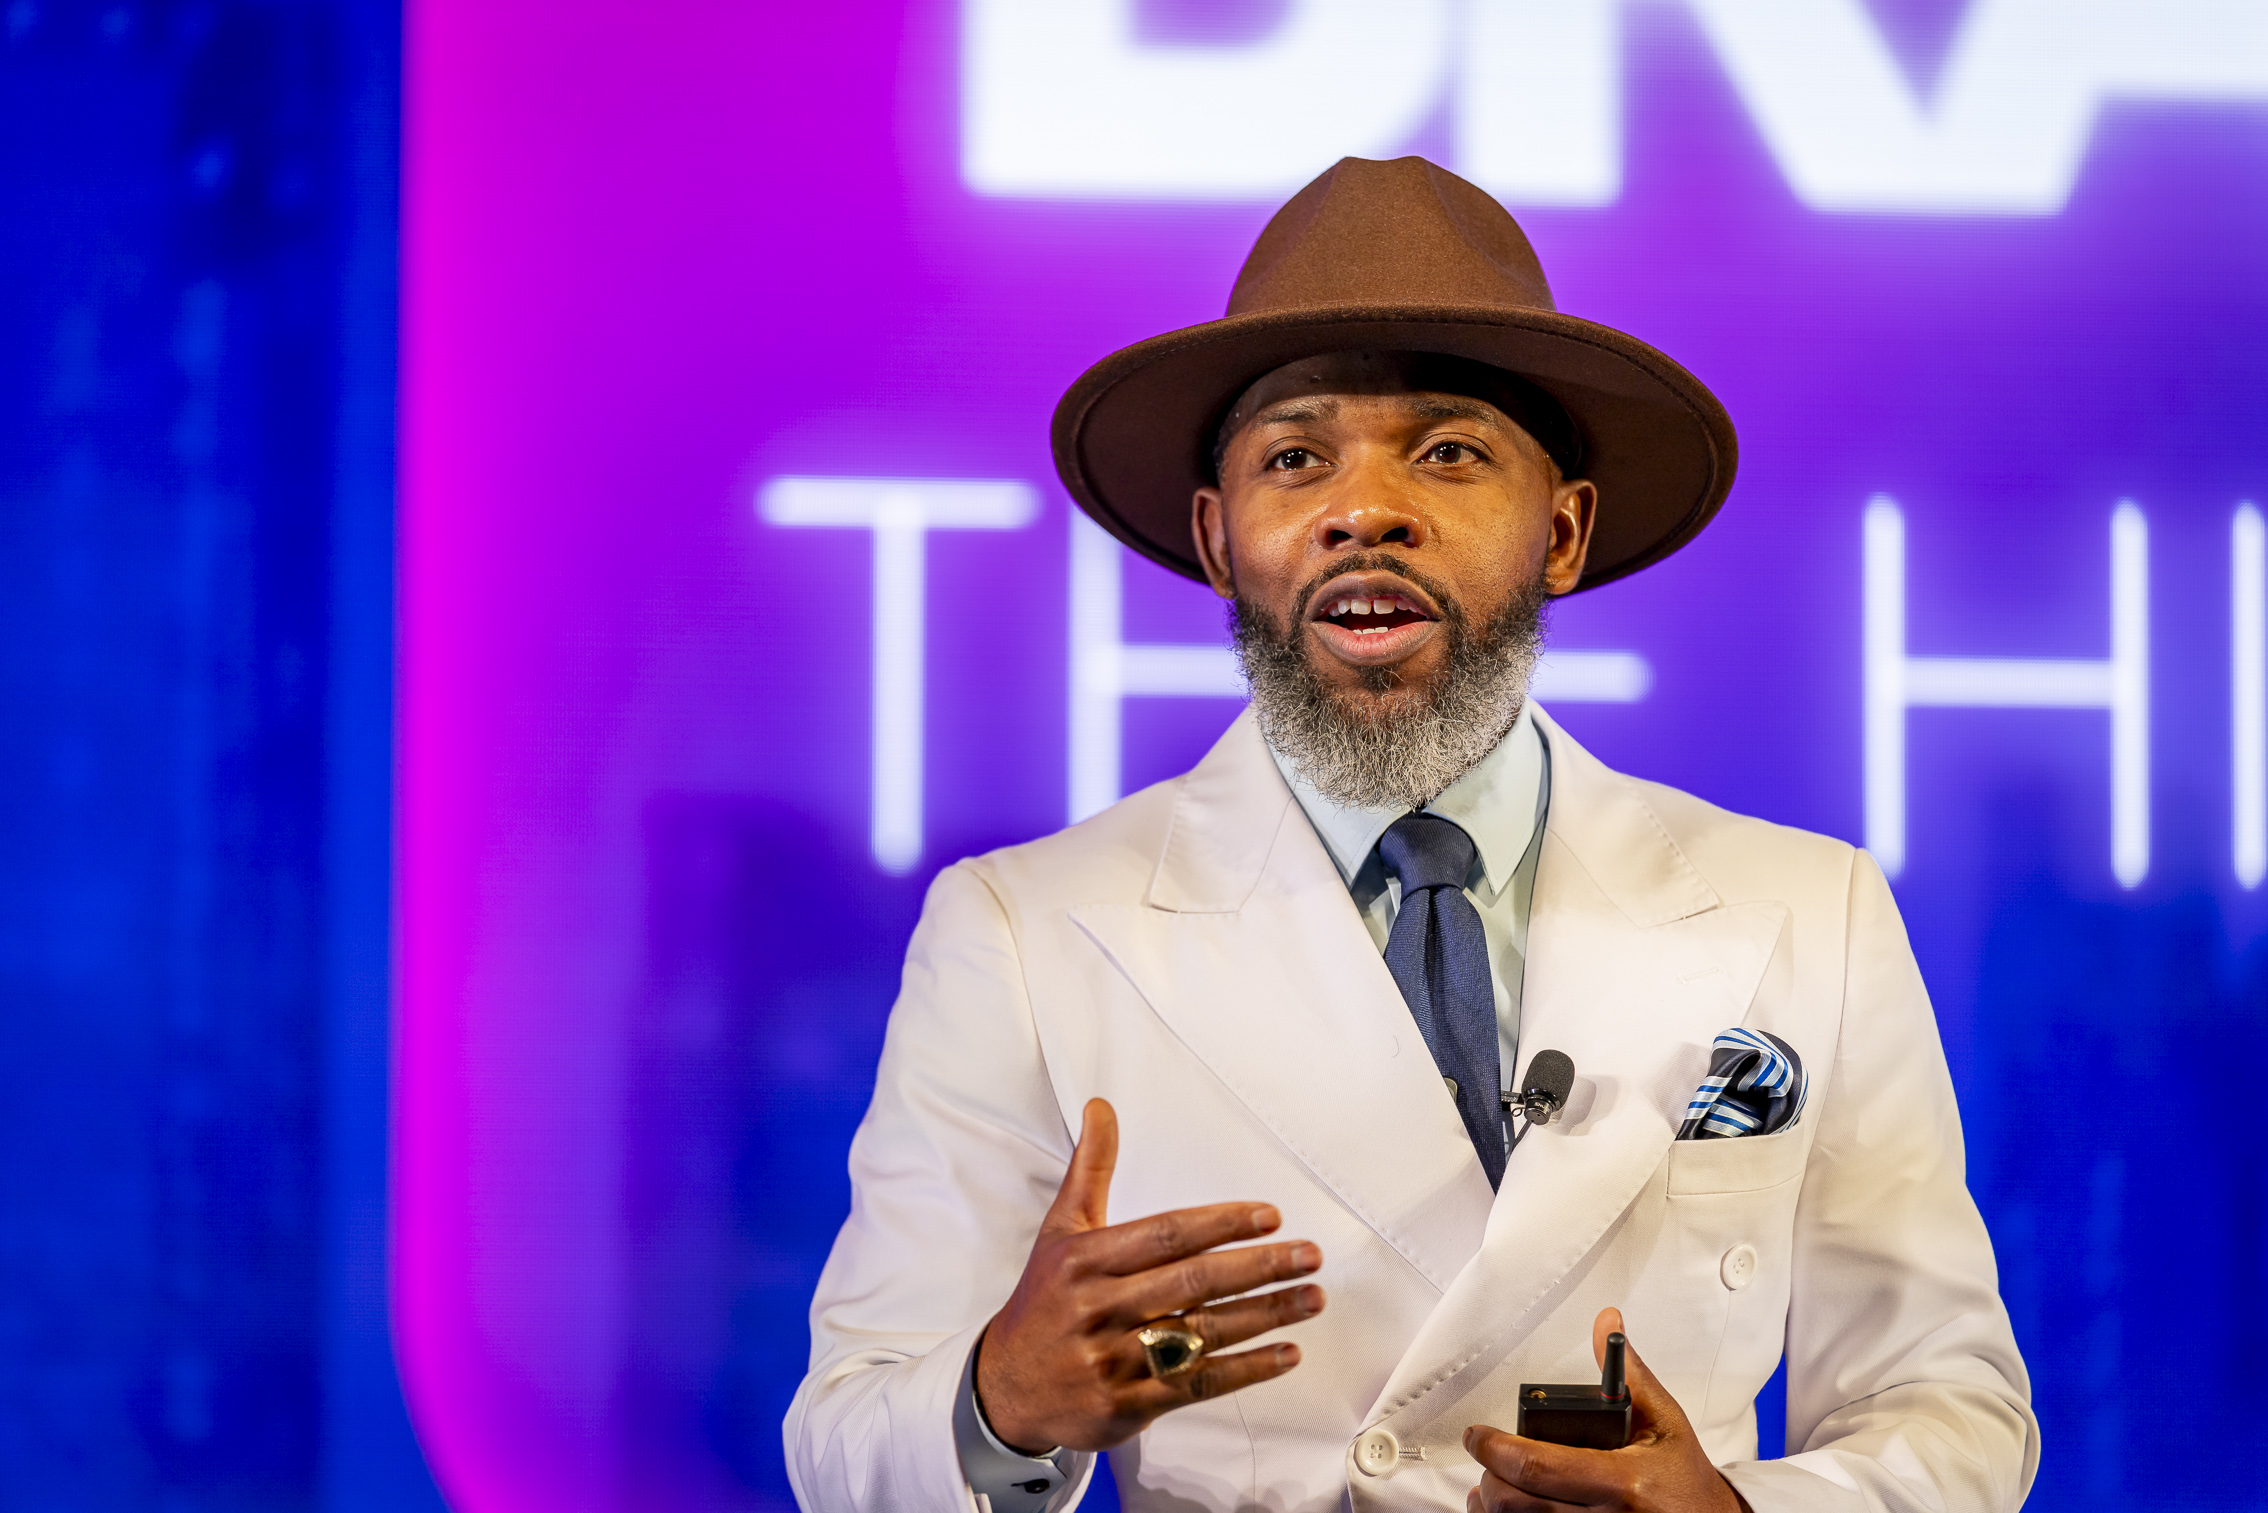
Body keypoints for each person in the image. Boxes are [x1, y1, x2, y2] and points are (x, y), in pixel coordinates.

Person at [783, 156, 2036, 1513]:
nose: (1364, 508)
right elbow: (847, 1436)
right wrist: (998, 1402)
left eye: (1448, 452)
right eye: (1294, 457)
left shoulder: (1808, 910)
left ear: (1563, 531)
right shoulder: (1025, 932)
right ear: (1218, 540)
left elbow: (1949, 1403)